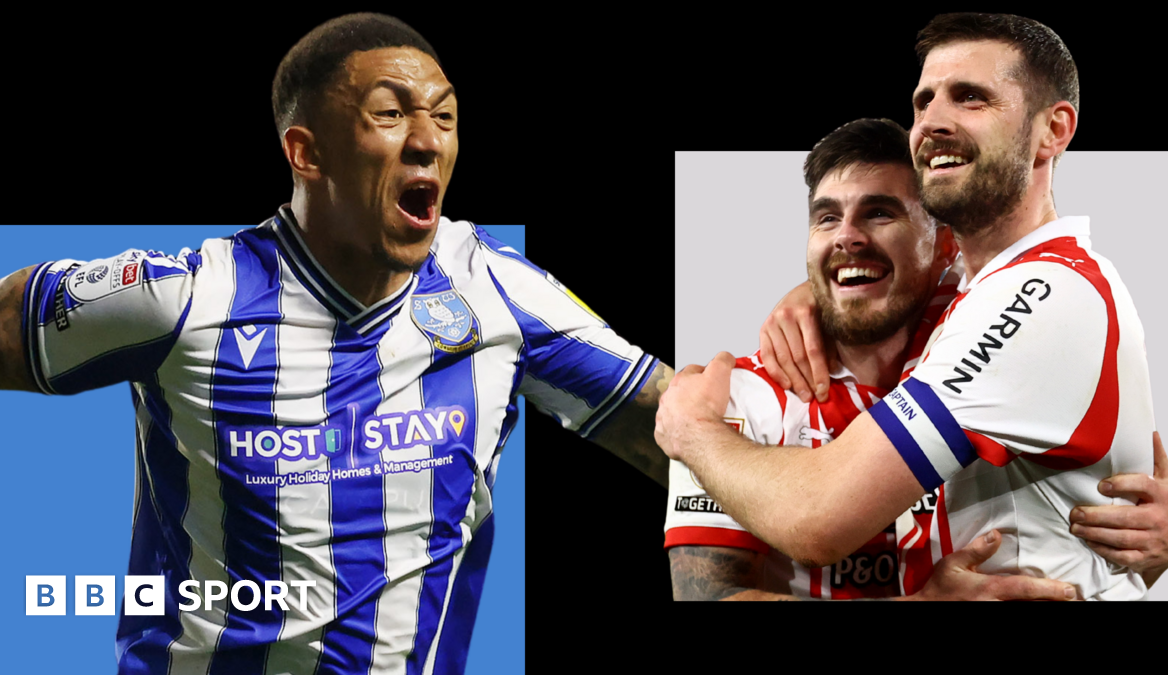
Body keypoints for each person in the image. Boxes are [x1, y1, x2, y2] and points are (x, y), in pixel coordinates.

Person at [0, 13, 670, 673]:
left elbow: (675, 429)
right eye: (389, 113)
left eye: (444, 115)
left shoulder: (494, 290)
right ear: (306, 151)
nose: (427, 140)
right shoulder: (186, 297)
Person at [656, 12, 1168, 600]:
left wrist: (691, 430)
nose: (932, 122)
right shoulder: (970, 301)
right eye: (923, 102)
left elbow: (818, 517)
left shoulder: (1041, 295)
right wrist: (816, 296)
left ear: (1053, 130)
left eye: (971, 98)